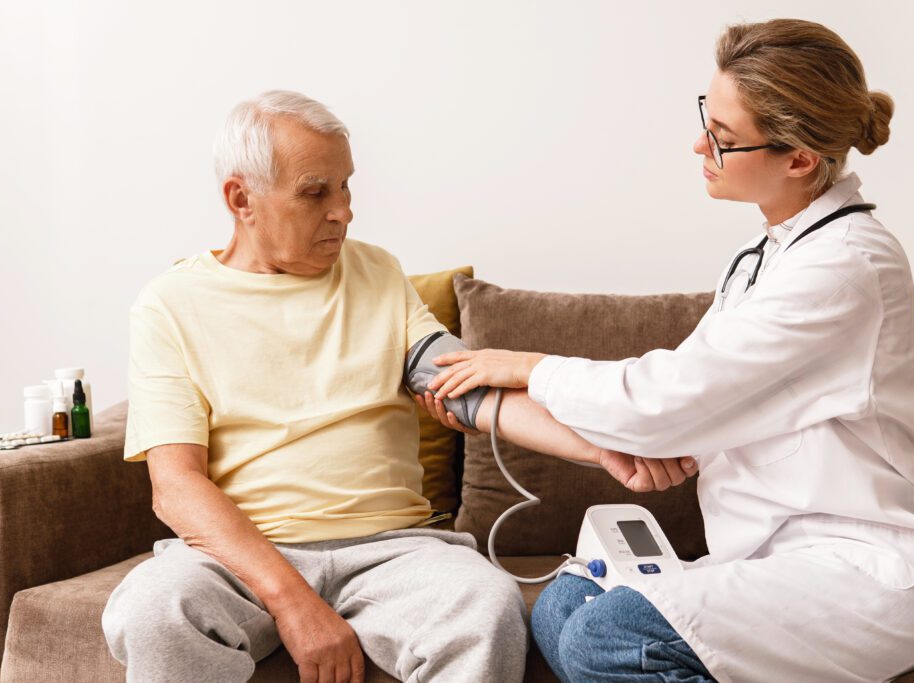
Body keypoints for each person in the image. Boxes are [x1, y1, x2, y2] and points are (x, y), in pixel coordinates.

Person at [417, 19, 914, 683]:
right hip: (770, 562)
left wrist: (527, 367)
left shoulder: (848, 265)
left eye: (724, 138)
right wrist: (633, 442)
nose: (699, 144)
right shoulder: (759, 259)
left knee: (606, 634)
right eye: (706, 119)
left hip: (868, 571)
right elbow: (690, 408)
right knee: (564, 604)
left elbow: (667, 398)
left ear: (797, 159)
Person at [102, 90, 680, 683]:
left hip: (393, 551)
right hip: (242, 557)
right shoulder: (169, 305)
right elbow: (174, 487)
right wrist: (294, 601)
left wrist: (604, 448)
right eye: (315, 192)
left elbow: (476, 391)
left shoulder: (377, 273)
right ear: (241, 198)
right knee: (154, 611)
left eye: (346, 186)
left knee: (485, 606)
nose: (343, 212)